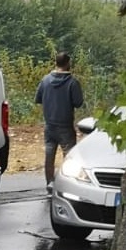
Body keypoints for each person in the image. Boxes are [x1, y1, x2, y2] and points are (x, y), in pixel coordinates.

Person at [35, 52, 84, 194]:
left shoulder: (45, 80)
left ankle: (49, 184)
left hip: (49, 125)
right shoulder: (72, 82)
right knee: (68, 156)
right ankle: (66, 185)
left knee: (49, 154)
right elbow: (78, 102)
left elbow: (38, 98)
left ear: (56, 63)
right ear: (68, 63)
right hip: (65, 126)